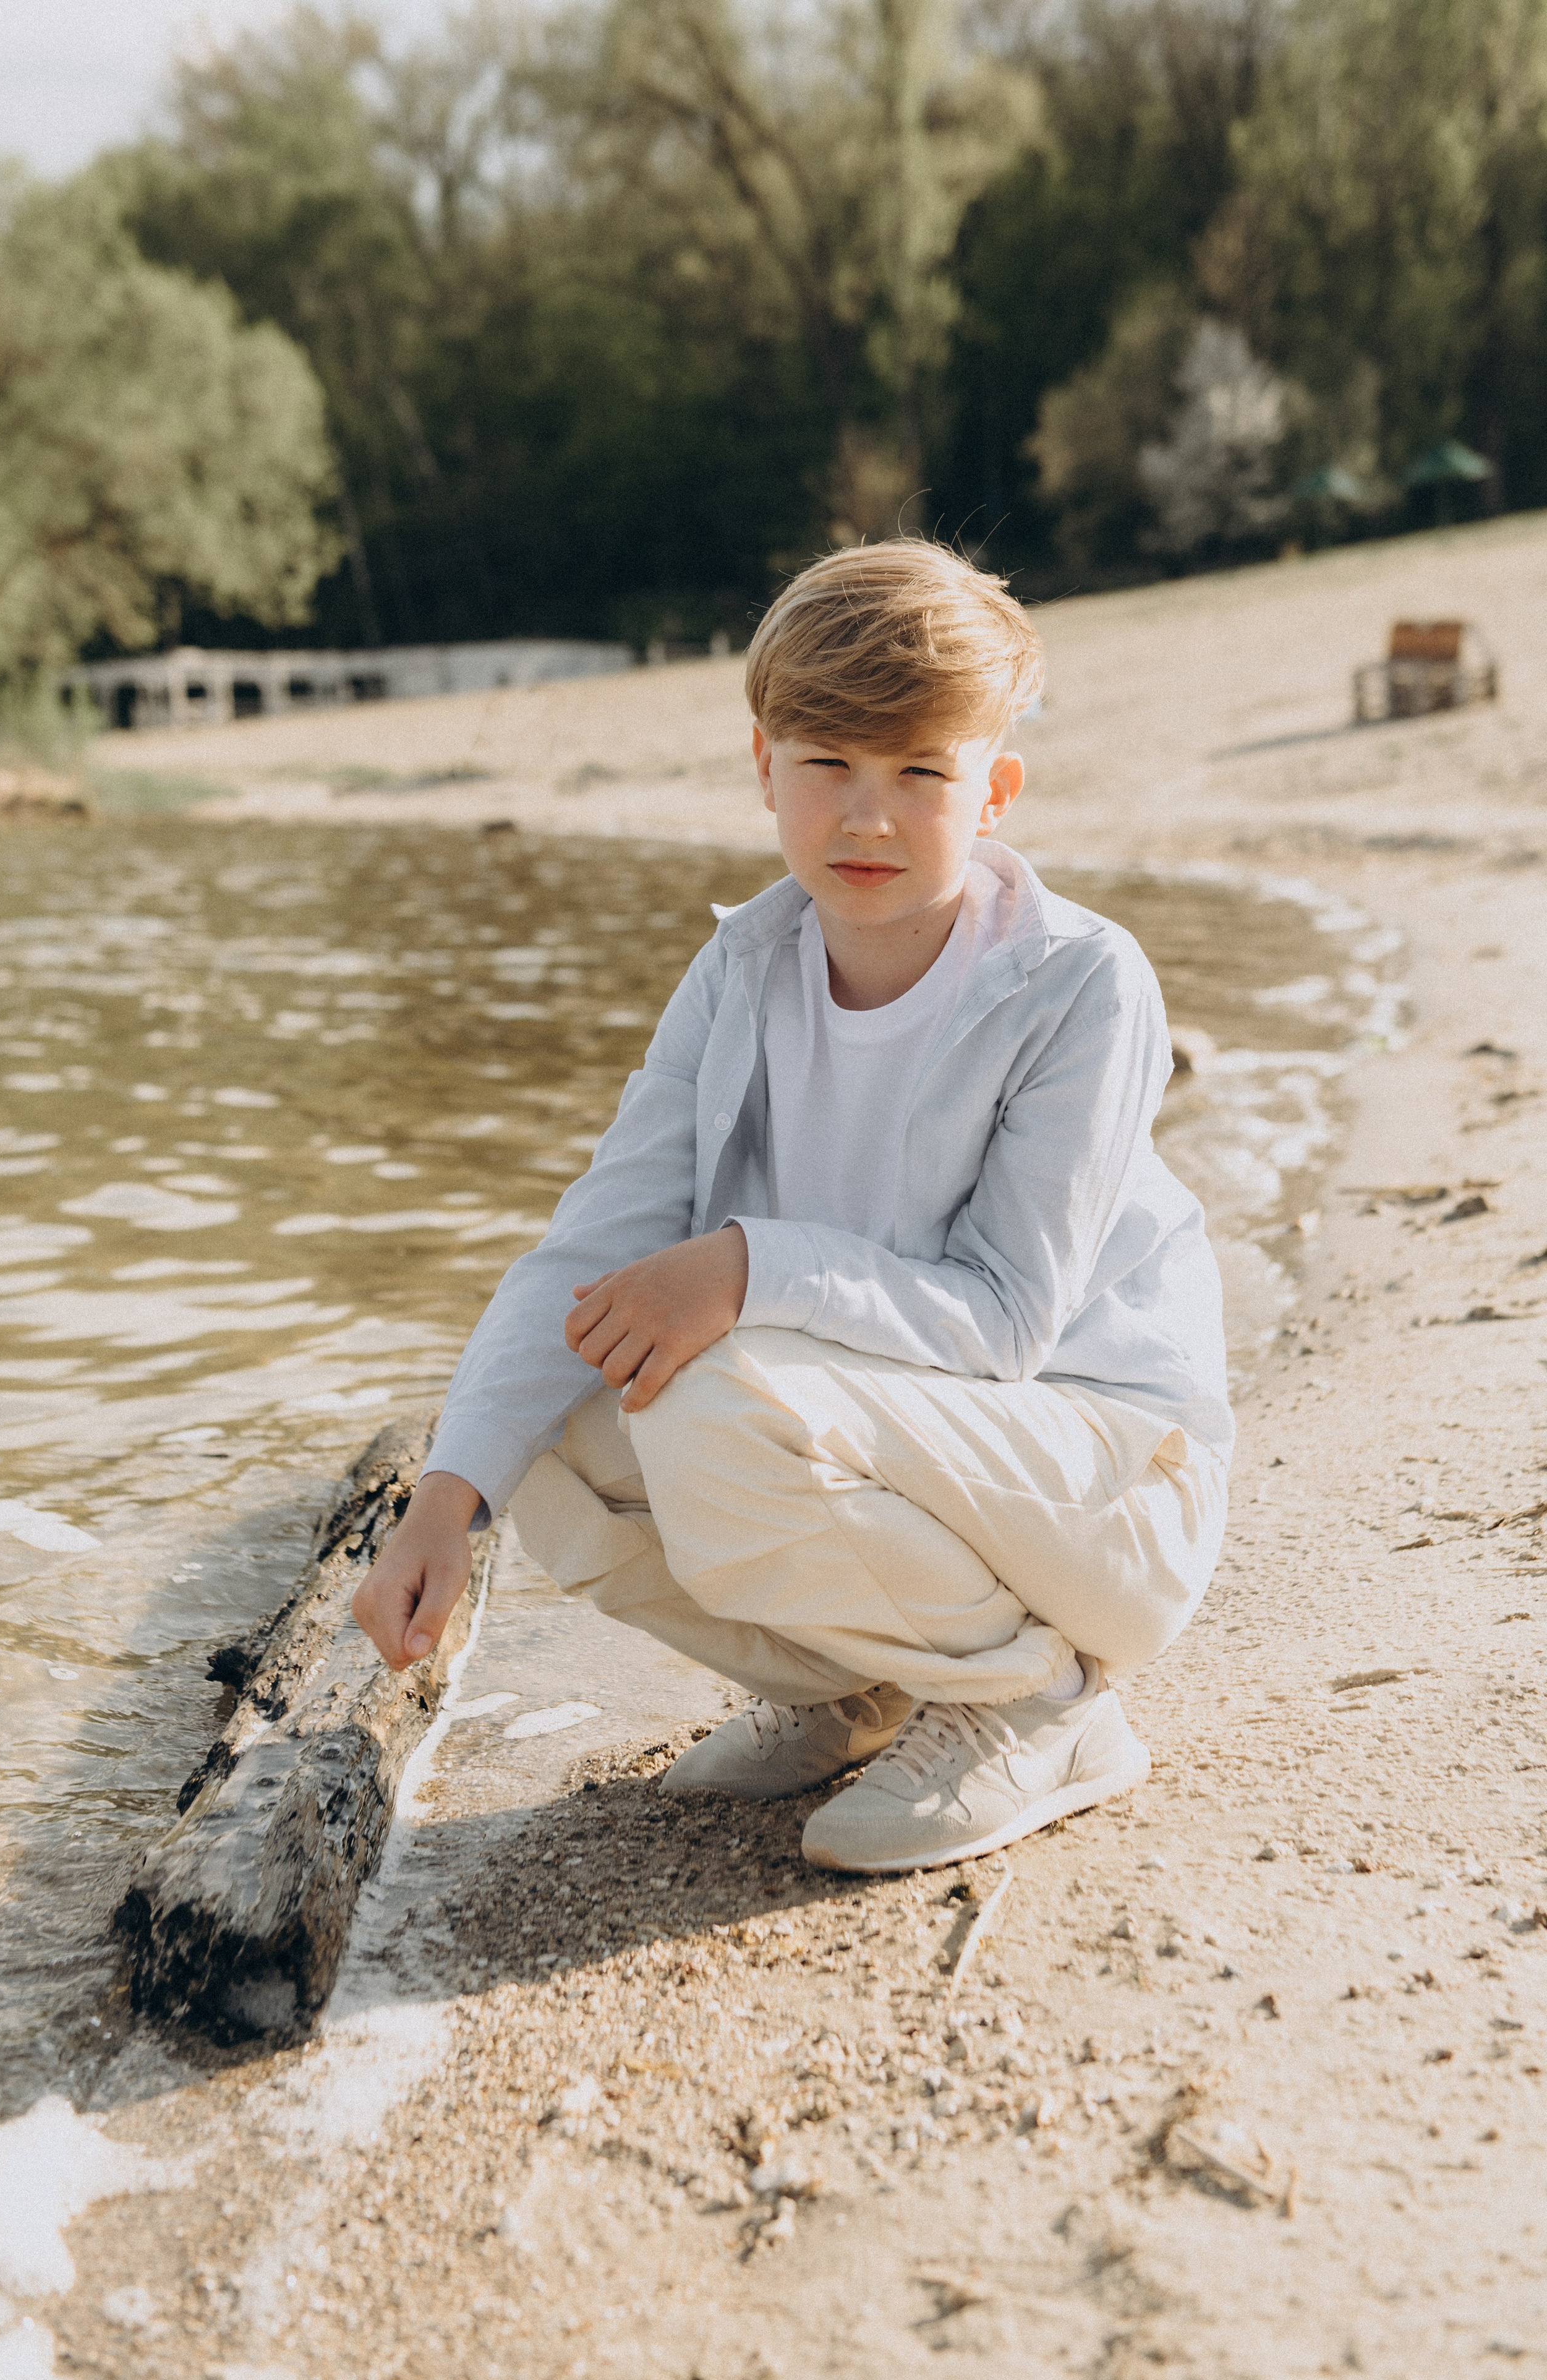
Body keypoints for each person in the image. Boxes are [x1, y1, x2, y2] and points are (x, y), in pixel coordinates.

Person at [352, 540, 1232, 1875]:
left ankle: (1039, 1706)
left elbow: (1002, 1319)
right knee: (542, 1421)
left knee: (713, 1392)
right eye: (827, 764)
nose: (867, 818)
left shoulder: (1077, 985)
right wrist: (441, 1502)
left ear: (991, 790)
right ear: (762, 764)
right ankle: (854, 1691)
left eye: (920, 774)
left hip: (1102, 1485)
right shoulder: (742, 966)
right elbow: (590, 1244)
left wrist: (747, 1266)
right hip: (918, 1449)